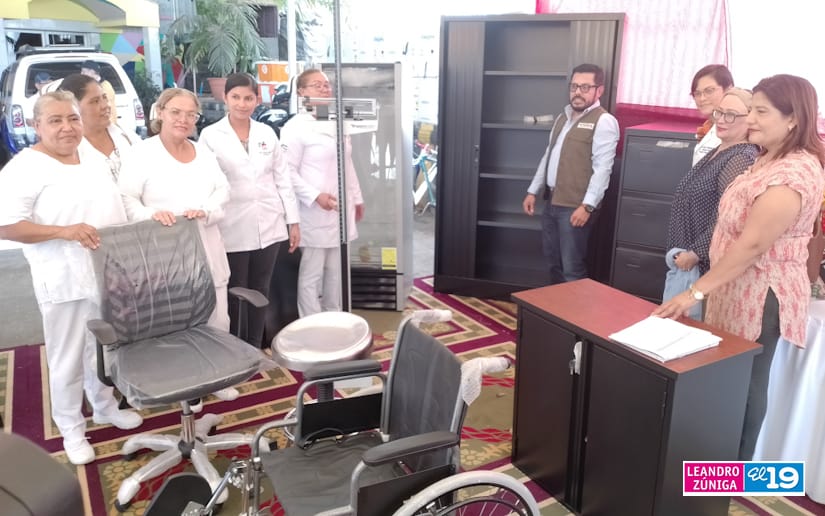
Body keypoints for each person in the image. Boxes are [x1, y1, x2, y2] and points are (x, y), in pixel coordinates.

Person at [654, 74, 825, 460]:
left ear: (793, 119)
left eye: (761, 112)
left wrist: (694, 292)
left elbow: (753, 244)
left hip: (760, 295)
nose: (751, 120)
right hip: (732, 287)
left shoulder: (794, 172)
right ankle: (712, 463)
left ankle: (732, 475)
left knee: (745, 387)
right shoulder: (767, 157)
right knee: (727, 381)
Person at [0, 91, 143, 465]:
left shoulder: (90, 156)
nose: (67, 127)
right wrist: (63, 232)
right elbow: (7, 226)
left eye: (73, 118)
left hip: (107, 273)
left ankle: (104, 406)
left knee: (104, 347)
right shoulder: (24, 168)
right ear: (37, 126)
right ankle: (71, 428)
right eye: (55, 120)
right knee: (67, 356)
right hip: (63, 278)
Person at [118, 87, 238, 403]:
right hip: (165, 253)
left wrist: (207, 210)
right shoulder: (141, 153)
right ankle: (186, 385)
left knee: (218, 317)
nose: (183, 119)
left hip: (207, 246)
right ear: (160, 112)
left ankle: (218, 376)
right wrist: (151, 215)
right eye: (175, 112)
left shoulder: (203, 153)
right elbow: (126, 199)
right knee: (177, 324)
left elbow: (222, 191)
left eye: (190, 114)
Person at [198, 73, 301, 348]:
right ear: (225, 98)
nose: (242, 104)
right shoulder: (210, 136)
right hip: (231, 225)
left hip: (269, 223)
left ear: (257, 100)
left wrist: (293, 221)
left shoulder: (266, 133)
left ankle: (254, 347)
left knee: (261, 289)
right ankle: (235, 349)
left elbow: (282, 179)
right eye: (236, 97)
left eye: (248, 98)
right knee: (235, 291)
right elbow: (206, 182)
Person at [663, 87, 759, 318]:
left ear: (750, 120)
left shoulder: (740, 157)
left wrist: (696, 252)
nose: (722, 120)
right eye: (720, 112)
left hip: (702, 267)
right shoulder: (720, 148)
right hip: (687, 261)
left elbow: (729, 214)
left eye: (731, 115)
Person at [522, 63, 620, 284]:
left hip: (575, 207)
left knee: (572, 269)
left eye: (585, 87)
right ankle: (555, 306)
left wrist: (587, 206)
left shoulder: (604, 121)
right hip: (552, 202)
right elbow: (548, 156)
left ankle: (574, 308)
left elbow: (603, 169)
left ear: (599, 90)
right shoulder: (563, 118)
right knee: (553, 263)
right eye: (574, 86)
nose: (577, 92)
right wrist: (532, 191)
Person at [281, 68, 365, 316]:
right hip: (313, 212)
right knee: (312, 272)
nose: (324, 89)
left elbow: (347, 164)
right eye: (316, 85)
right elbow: (287, 171)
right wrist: (315, 196)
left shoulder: (337, 122)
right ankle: (311, 321)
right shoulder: (295, 127)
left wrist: (357, 198)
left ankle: (334, 315)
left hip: (340, 209)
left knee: (336, 271)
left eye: (326, 85)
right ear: (301, 92)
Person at [59, 73, 140, 182]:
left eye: (105, 97)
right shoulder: (69, 150)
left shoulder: (126, 136)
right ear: (74, 107)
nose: (105, 105)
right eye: (95, 101)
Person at [690, 64, 735, 165]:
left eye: (709, 91)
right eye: (697, 93)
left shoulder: (736, 130)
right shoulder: (710, 126)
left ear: (729, 89)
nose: (702, 98)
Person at [80, 60, 117, 126]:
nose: (81, 74)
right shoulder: (94, 86)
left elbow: (106, 109)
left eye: (83, 71)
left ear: (92, 72)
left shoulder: (105, 87)